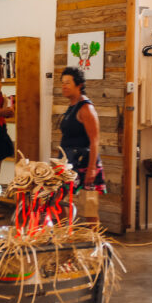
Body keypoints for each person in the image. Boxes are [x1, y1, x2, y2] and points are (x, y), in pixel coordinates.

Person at [58, 67, 105, 223]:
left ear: (79, 85)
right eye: (62, 83)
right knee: (58, 199)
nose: (64, 86)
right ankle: (65, 236)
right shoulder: (72, 106)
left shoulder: (86, 108)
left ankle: (95, 242)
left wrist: (92, 169)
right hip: (68, 162)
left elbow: (95, 140)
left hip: (85, 162)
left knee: (89, 207)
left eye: (68, 83)